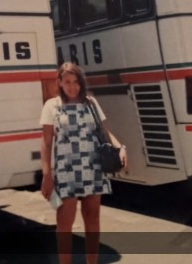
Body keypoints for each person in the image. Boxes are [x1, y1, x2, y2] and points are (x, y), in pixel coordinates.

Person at [40, 62, 127, 264]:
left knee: (92, 218)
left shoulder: (91, 103)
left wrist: (120, 147)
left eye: (76, 82)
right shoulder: (51, 106)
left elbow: (105, 132)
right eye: (68, 82)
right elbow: (46, 142)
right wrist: (46, 175)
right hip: (66, 170)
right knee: (64, 223)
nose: (72, 86)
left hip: (93, 166)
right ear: (60, 82)